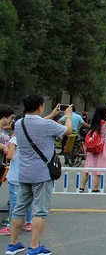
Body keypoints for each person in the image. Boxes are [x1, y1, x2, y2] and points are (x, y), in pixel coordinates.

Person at [7, 94, 72, 255]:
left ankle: (13, 244)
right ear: (40, 107)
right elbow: (68, 130)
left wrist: (52, 115)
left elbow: (35, 123)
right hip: (42, 173)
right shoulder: (47, 125)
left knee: (19, 209)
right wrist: (68, 116)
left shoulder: (18, 124)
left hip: (24, 173)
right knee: (40, 211)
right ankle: (35, 247)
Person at [0, 110, 33, 236]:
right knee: (28, 199)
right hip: (29, 173)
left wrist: (6, 149)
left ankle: (10, 226)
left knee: (14, 200)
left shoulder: (15, 138)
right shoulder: (32, 137)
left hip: (16, 173)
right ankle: (28, 223)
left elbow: (10, 156)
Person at [80, 106, 106, 192]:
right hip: (101, 147)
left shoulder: (94, 122)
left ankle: (82, 187)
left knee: (88, 168)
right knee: (98, 168)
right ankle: (95, 188)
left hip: (92, 147)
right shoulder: (104, 123)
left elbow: (102, 121)